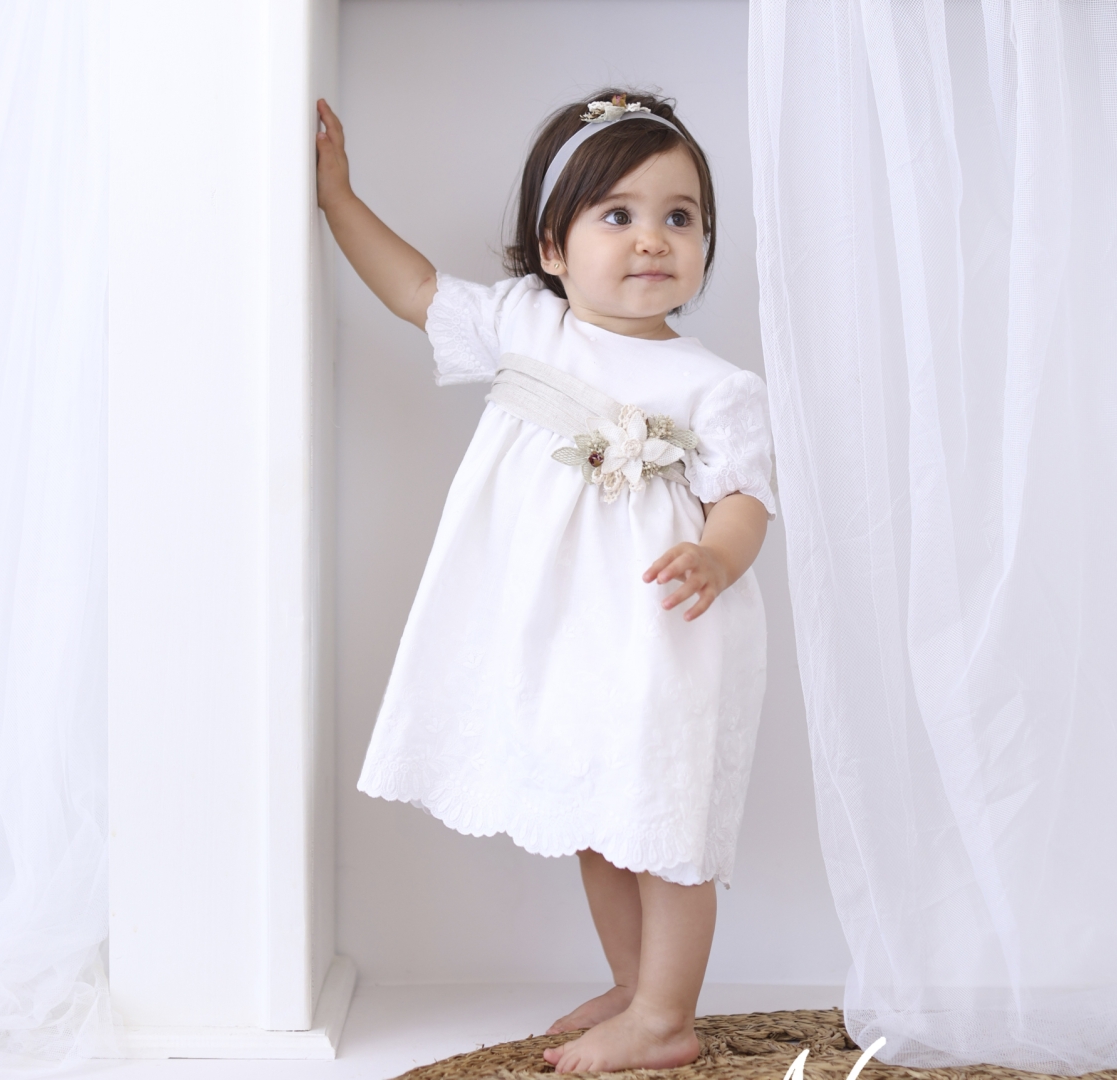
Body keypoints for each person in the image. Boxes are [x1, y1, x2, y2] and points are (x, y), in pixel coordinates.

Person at [316, 88, 775, 1073]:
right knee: (598, 816)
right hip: (564, 629)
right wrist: (338, 199)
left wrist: (716, 555)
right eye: (618, 214)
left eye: (680, 216)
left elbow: (745, 499)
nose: (652, 238)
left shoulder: (715, 386)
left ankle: (667, 1017)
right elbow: (413, 288)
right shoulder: (526, 323)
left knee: (661, 820)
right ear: (553, 249)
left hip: (662, 626)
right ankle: (634, 984)